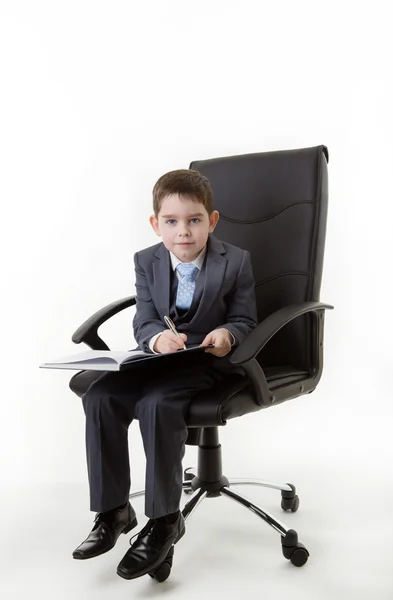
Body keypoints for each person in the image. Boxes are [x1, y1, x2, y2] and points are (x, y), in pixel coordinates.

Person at [72, 169, 258, 580]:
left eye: (194, 220)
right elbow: (143, 320)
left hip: (207, 365)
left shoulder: (236, 262)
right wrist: (156, 340)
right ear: (156, 224)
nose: (183, 233)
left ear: (211, 221)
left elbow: (246, 319)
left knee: (157, 404)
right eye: (171, 222)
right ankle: (114, 510)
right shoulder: (146, 261)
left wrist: (227, 334)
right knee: (100, 395)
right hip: (159, 361)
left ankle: (165, 521)